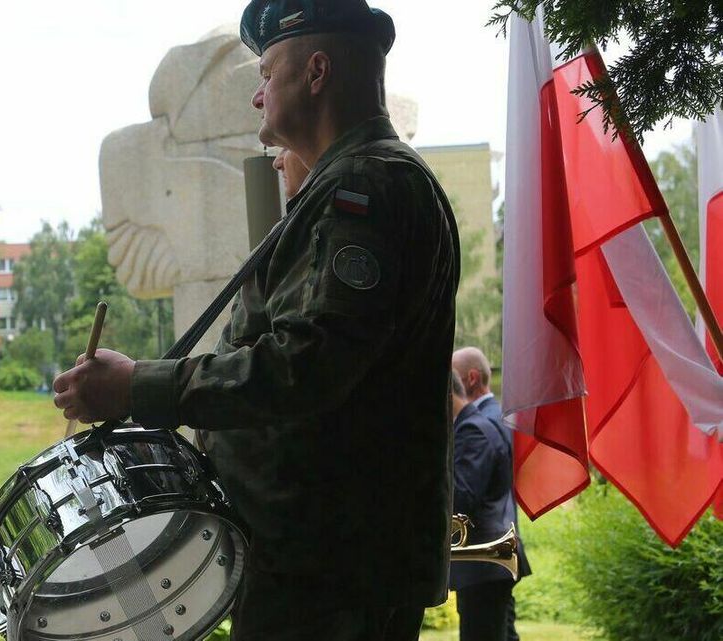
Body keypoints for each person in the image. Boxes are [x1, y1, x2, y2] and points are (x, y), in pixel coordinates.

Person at [53, 1, 460, 639]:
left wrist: (139, 387)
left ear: (317, 71)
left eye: (267, 74)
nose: (257, 97)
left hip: (331, 574)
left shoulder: (365, 189)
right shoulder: (344, 187)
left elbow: (304, 366)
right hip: (314, 565)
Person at [452, 347, 530, 641]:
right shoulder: (491, 418)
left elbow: (466, 496)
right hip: (492, 551)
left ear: (471, 379)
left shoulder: (483, 424)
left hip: (488, 551)